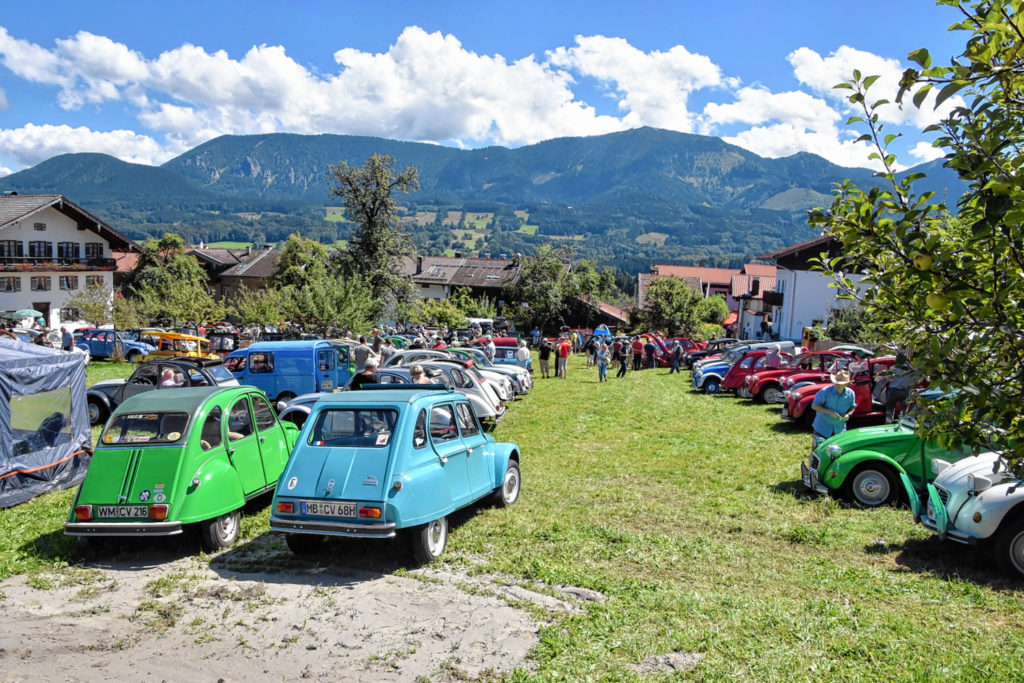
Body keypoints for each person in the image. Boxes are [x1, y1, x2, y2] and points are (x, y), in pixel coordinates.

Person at [811, 369, 857, 447]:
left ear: (846, 384)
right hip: (822, 427)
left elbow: (852, 407)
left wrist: (848, 415)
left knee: (836, 453)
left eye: (840, 383)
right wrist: (829, 412)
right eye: (836, 382)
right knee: (818, 451)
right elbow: (814, 406)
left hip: (839, 430)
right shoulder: (825, 391)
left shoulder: (851, 394)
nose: (837, 385)